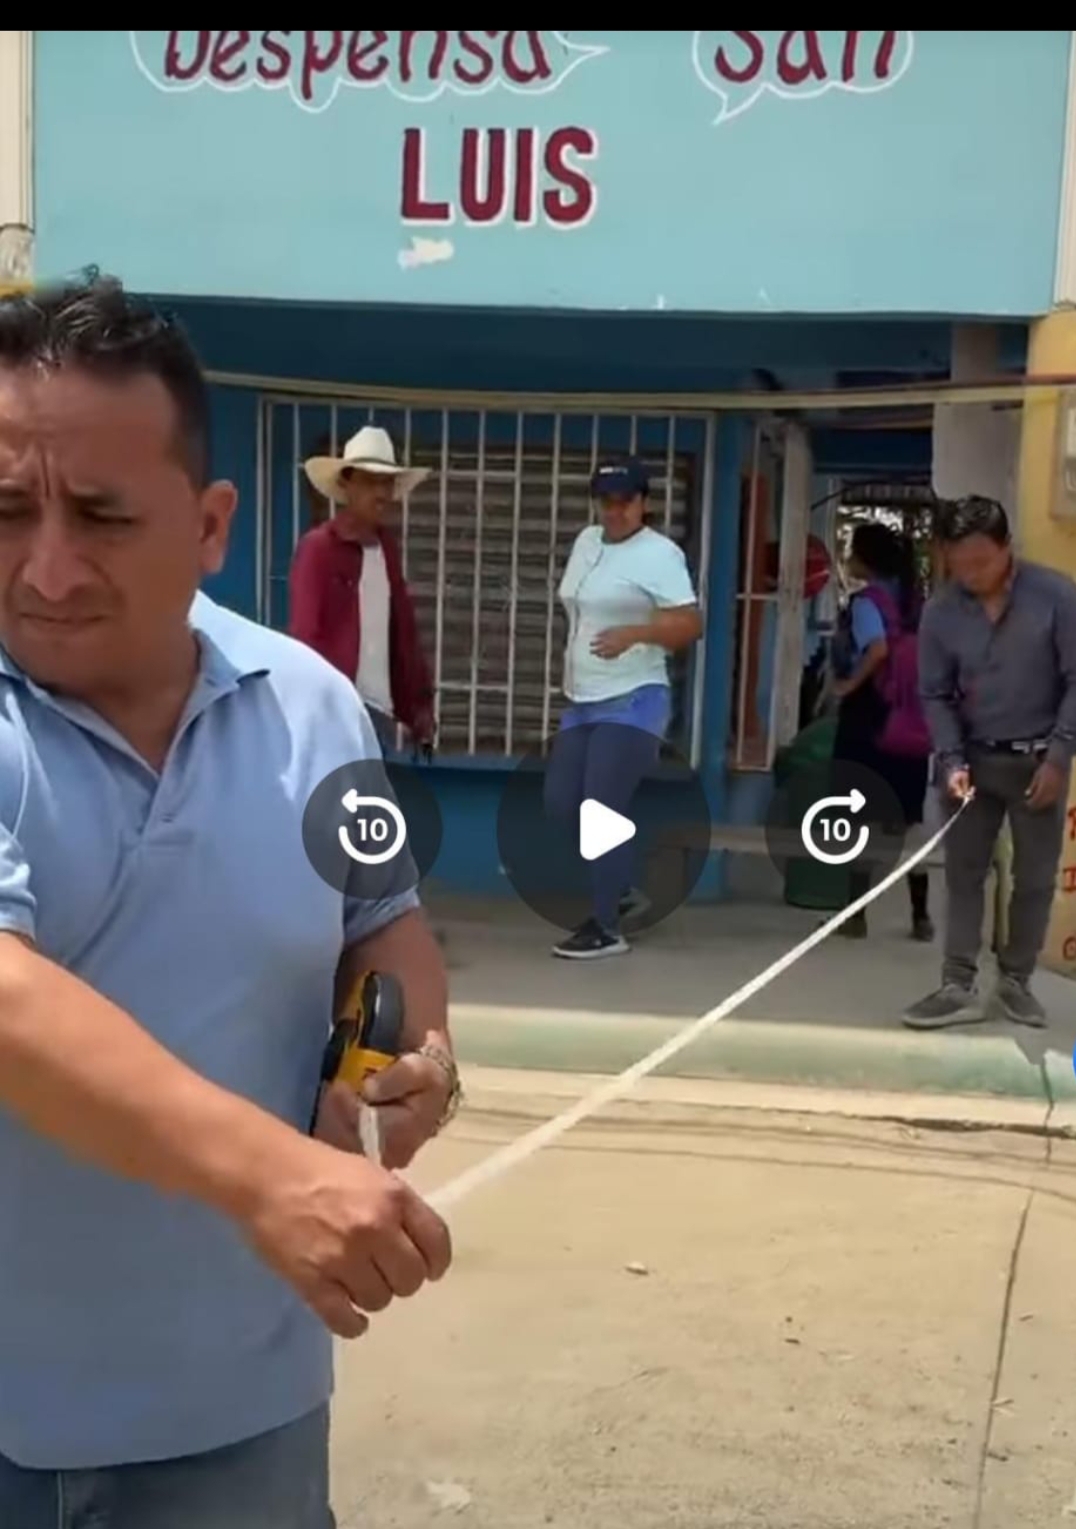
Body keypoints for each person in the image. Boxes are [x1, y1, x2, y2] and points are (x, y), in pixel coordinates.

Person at [0, 277, 460, 1527]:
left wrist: (411, 1056)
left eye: (102, 516)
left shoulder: (314, 707)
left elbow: (383, 919)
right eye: (7, 510)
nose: (47, 568)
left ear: (210, 526)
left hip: (243, 1419)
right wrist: (272, 1175)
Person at [906, 495, 1076, 1029]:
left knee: (1033, 878)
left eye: (981, 561)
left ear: (1007, 548)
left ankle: (1015, 982)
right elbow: (934, 693)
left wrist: (1059, 756)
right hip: (971, 763)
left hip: (1038, 763)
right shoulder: (941, 612)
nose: (971, 574)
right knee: (964, 874)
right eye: (959, 563)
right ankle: (957, 983)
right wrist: (950, 758)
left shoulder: (1056, 597)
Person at [543, 457, 702, 959]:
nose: (614, 511)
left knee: (600, 808)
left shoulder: (660, 554)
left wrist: (636, 633)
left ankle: (607, 928)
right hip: (582, 700)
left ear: (644, 503)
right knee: (561, 801)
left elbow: (690, 624)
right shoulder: (587, 543)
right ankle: (621, 888)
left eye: (625, 502)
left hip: (635, 698)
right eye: (606, 501)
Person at [289, 426, 435, 757]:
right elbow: (306, 638)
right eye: (370, 482)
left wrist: (419, 709)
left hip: (380, 716)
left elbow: (403, 634)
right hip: (335, 716)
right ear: (347, 485)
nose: (381, 493)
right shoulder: (319, 549)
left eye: (387, 483)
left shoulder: (386, 550)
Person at [829, 522, 934, 941]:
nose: (849, 558)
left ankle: (855, 915)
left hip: (870, 716)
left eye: (853, 551)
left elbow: (877, 650)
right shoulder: (915, 604)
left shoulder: (867, 603)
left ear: (866, 558)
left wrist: (847, 686)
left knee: (858, 816)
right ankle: (921, 916)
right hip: (912, 720)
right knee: (905, 823)